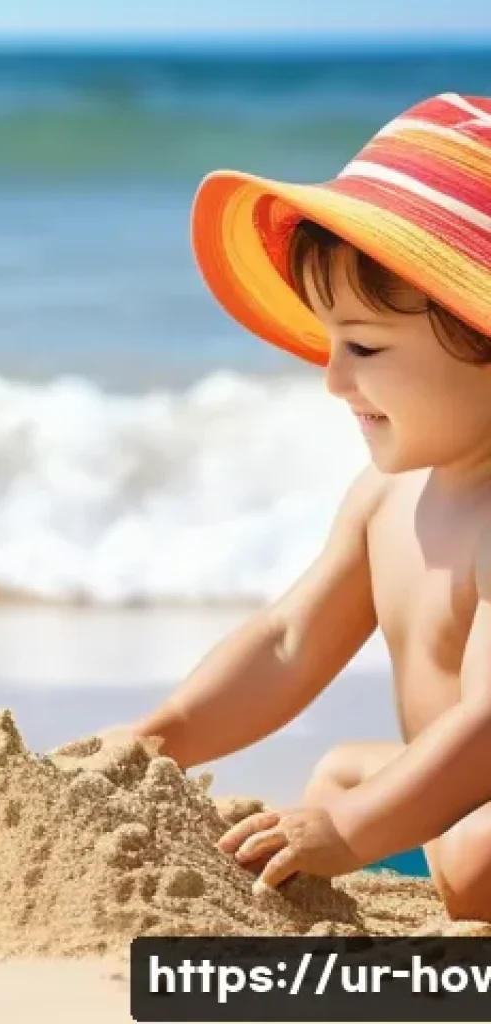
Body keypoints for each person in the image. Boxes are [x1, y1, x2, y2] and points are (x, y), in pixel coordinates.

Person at [110, 93, 491, 920]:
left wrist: (353, 833)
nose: (332, 378)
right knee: (338, 776)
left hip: (478, 801)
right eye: (328, 343)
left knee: (467, 849)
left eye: (364, 347)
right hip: (460, 794)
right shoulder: (385, 497)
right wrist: (156, 739)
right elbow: (286, 645)